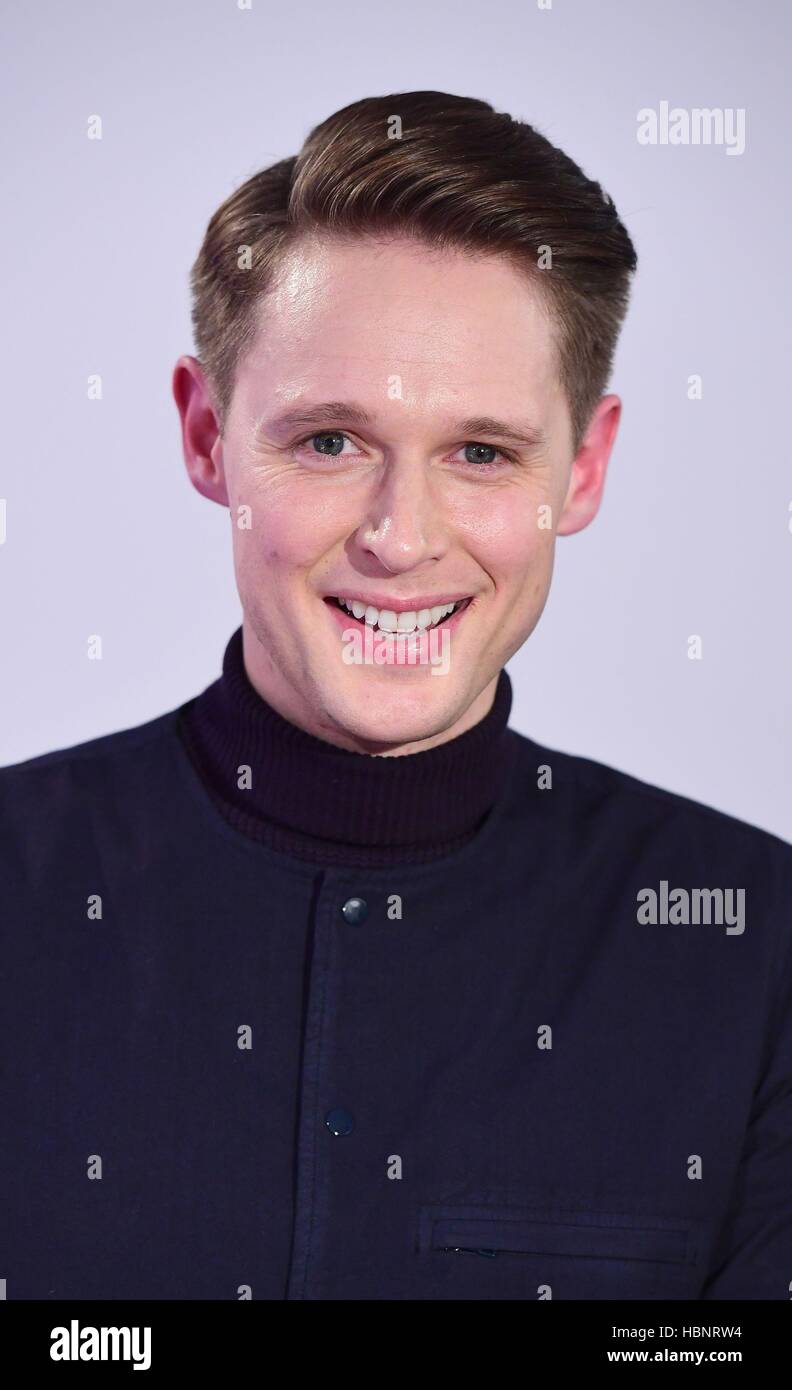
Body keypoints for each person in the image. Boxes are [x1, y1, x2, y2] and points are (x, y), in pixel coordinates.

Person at [2, 90, 790, 1301]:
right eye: (329, 441)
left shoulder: (759, 947)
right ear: (208, 436)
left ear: (582, 469)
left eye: (481, 452)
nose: (399, 537)